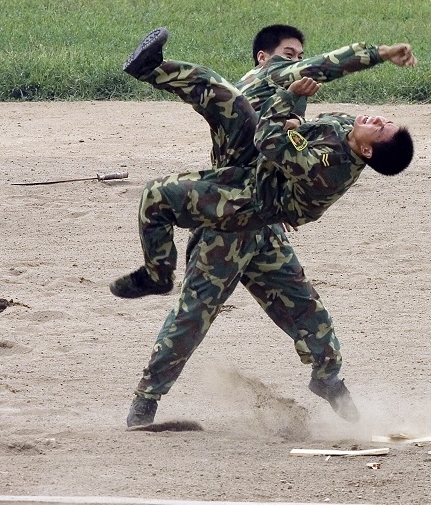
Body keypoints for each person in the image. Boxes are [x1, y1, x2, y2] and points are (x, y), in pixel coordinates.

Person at [120, 24, 416, 428]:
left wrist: (292, 107)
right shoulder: (270, 89)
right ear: (264, 57)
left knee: (304, 313)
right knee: (197, 310)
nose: (296, 63)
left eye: (382, 128)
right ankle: (145, 402)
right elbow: (316, 78)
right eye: (289, 56)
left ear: (368, 148)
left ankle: (330, 384)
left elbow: (275, 139)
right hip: (247, 199)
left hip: (244, 207)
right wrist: (377, 53)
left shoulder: (329, 159)